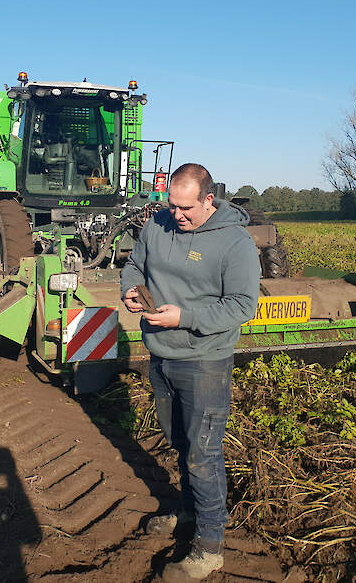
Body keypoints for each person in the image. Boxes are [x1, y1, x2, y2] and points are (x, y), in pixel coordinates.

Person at [121, 163, 260, 580]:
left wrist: (184, 317)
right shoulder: (158, 225)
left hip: (204, 360)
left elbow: (242, 306)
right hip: (161, 355)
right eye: (171, 206)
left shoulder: (234, 243)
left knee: (203, 453)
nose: (176, 216)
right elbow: (134, 265)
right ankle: (186, 511)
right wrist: (129, 289)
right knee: (179, 441)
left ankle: (209, 544)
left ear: (208, 200)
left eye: (185, 209)